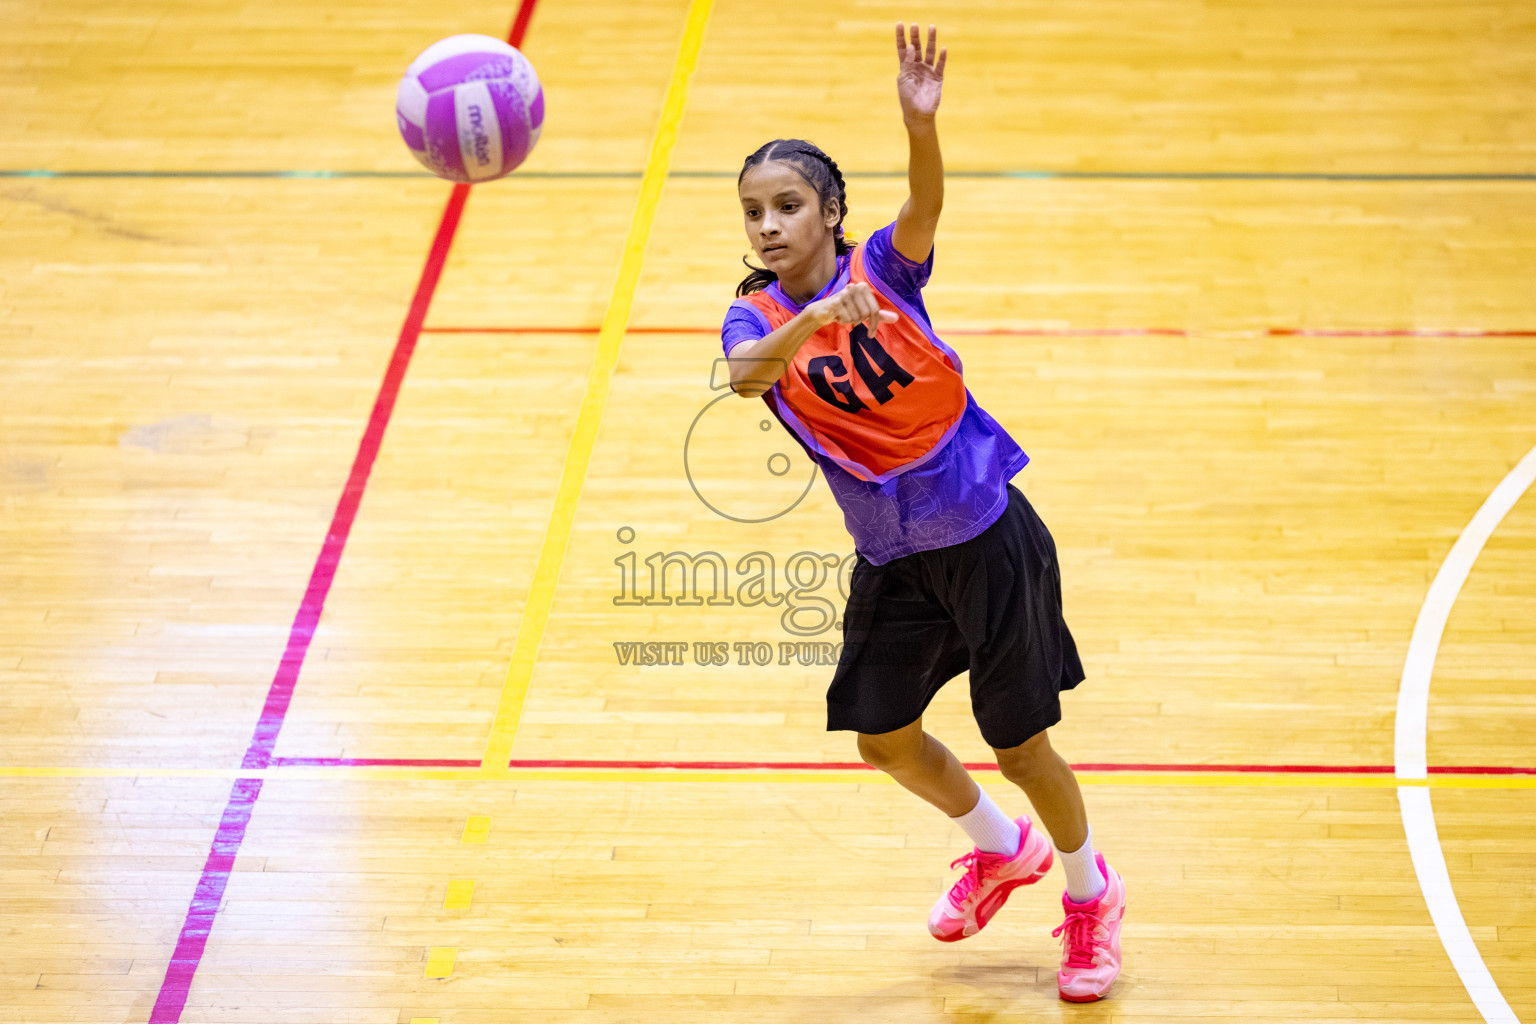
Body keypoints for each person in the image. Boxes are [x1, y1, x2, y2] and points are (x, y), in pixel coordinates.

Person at [717, 23, 1126, 1003]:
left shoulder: (889, 276)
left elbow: (926, 204)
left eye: (788, 206)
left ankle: (1090, 894)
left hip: (986, 536)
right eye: (754, 212)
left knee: (1020, 743)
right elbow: (742, 379)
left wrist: (921, 127)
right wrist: (815, 316)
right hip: (892, 556)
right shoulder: (757, 318)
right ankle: (999, 850)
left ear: (830, 213)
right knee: (885, 737)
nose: (769, 226)